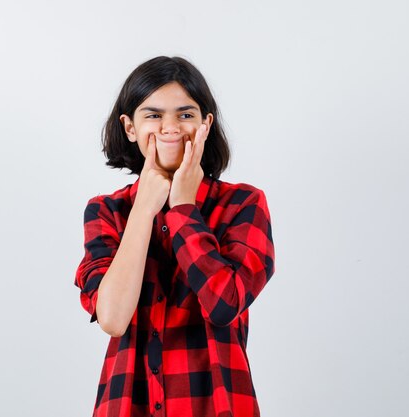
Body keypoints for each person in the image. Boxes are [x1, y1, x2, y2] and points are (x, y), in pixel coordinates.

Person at [74, 56, 276, 417]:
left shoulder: (243, 204)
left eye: (185, 114)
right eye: (153, 115)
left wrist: (182, 207)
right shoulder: (106, 211)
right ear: (130, 127)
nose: (170, 127)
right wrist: (143, 210)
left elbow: (224, 303)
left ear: (205, 124)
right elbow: (113, 318)